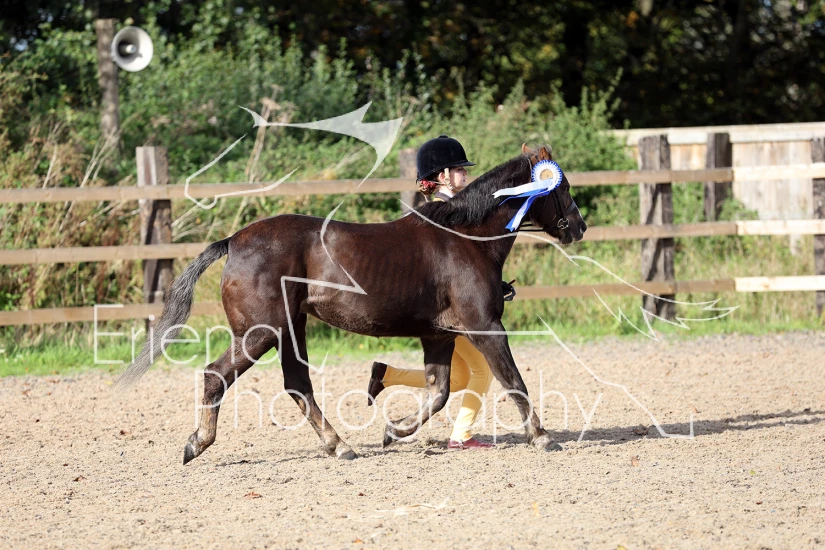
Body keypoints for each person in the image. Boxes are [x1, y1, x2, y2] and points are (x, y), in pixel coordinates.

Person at [366, 135, 515, 450]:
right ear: (443, 175)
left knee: (459, 377)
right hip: (447, 310)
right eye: (459, 169)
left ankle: (387, 375)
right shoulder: (444, 216)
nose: (465, 173)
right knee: (483, 369)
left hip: (449, 307)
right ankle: (461, 436)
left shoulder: (452, 212)